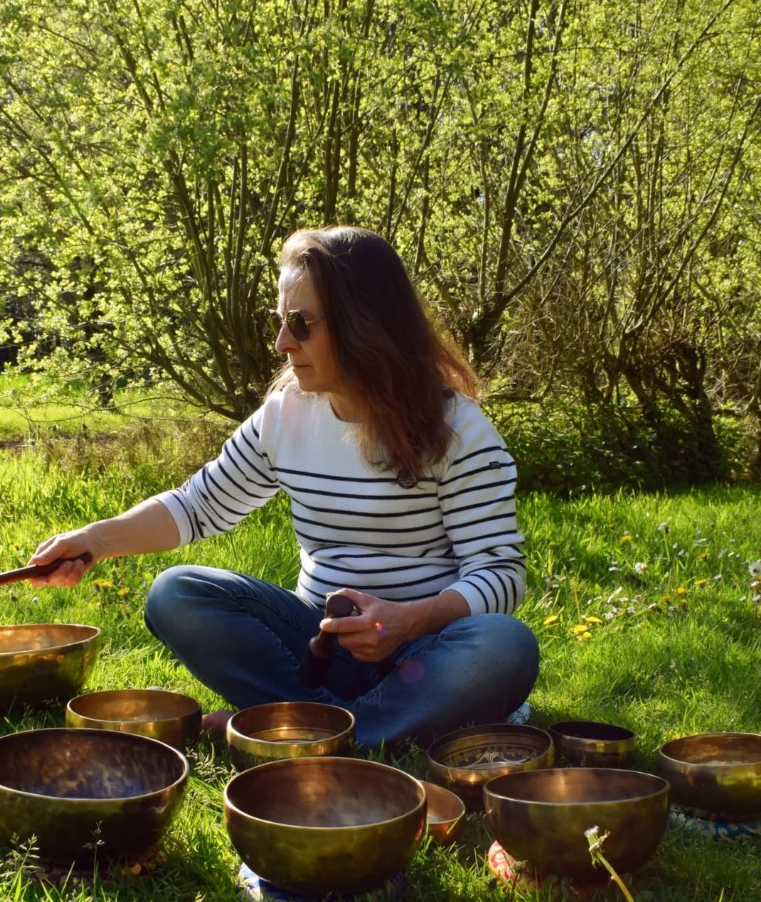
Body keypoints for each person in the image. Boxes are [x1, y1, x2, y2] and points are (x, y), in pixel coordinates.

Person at [29, 226, 538, 749]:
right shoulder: (284, 415)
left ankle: (307, 729)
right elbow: (196, 506)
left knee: (505, 645)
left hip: (424, 653)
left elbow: (499, 572)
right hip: (317, 650)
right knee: (175, 593)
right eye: (280, 321)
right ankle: (349, 727)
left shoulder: (458, 430)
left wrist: (407, 622)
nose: (282, 343)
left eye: (300, 323)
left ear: (365, 323)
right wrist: (94, 540)